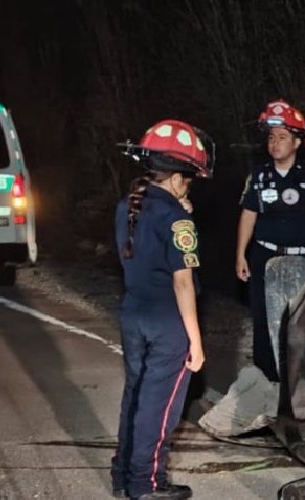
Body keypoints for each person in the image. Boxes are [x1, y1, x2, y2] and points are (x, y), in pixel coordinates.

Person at [111, 119, 214, 500]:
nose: (191, 187)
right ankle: (147, 484)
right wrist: (196, 341)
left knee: (136, 396)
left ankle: (123, 475)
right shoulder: (177, 218)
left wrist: (179, 209)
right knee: (160, 407)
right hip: (167, 323)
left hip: (132, 313)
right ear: (176, 177)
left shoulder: (129, 206)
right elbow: (183, 282)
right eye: (189, 179)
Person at [235, 100, 305, 382]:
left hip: (304, 259)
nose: (275, 143)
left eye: (282, 137)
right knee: (263, 320)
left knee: (304, 322)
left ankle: (304, 383)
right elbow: (248, 215)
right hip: (264, 256)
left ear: (296, 142)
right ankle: (266, 382)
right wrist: (240, 255)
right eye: (271, 137)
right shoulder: (258, 177)